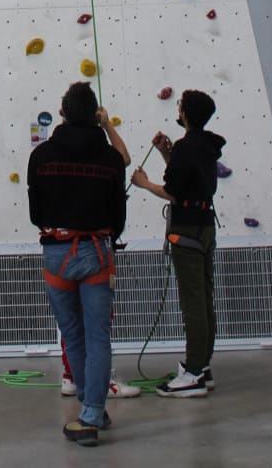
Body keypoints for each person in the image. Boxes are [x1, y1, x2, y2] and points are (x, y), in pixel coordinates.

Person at [28, 83, 130, 448]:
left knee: (73, 336)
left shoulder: (41, 156)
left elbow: (35, 213)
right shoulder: (108, 159)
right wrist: (107, 125)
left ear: (62, 112)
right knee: (99, 337)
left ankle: (91, 410)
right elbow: (119, 203)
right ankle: (92, 412)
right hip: (97, 252)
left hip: (57, 252)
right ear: (94, 115)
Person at [130, 90, 224, 398]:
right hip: (206, 226)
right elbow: (187, 180)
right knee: (204, 297)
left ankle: (194, 372)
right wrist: (165, 153)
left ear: (186, 113)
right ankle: (202, 364)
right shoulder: (207, 146)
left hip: (187, 230)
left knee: (192, 302)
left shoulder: (188, 147)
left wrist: (143, 184)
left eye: (181, 105)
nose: (178, 108)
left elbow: (173, 192)